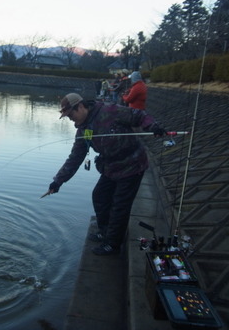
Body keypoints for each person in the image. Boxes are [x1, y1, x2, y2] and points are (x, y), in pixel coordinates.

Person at [44, 93, 166, 256]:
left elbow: (138, 115)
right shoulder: (84, 130)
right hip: (111, 167)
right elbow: (75, 157)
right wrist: (58, 182)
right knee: (99, 195)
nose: (70, 119)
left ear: (80, 107)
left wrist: (153, 127)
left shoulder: (110, 110)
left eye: (71, 114)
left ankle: (113, 245)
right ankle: (106, 231)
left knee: (120, 206)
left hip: (132, 164)